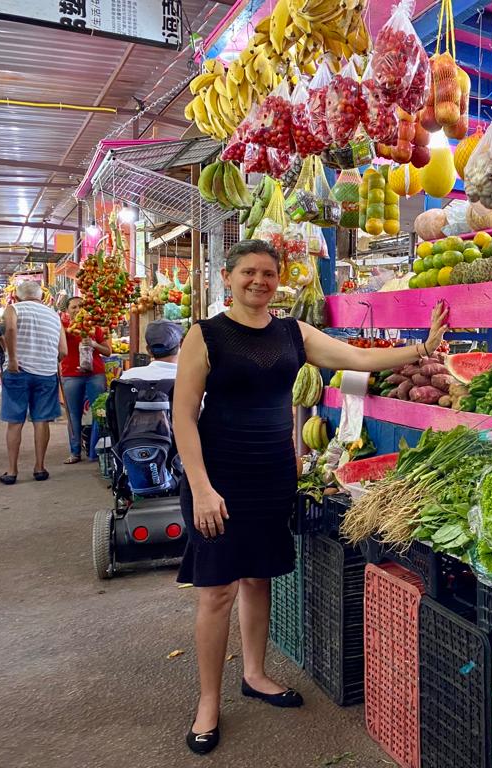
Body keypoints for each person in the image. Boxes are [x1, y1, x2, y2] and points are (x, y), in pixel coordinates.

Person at [173, 240, 448, 755]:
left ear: (278, 280)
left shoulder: (292, 333)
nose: (259, 281)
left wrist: (422, 348)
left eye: (268, 273)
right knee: (217, 591)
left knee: (258, 577)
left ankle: (254, 674)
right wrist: (202, 487)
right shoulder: (204, 335)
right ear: (228, 277)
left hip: (272, 474)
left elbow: (359, 357)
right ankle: (208, 702)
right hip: (219, 476)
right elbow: (183, 416)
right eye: (248, 272)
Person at [0, 281, 67, 485]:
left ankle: (12, 471)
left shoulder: (13, 309)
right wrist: (48, 361)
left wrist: (12, 359)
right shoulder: (54, 316)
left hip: (18, 372)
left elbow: (10, 329)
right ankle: (40, 468)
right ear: (41, 296)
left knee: (15, 422)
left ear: (17, 296)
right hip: (46, 374)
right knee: (41, 420)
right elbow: (63, 351)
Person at [60, 296, 111, 464]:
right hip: (71, 375)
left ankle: (95, 451)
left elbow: (108, 351)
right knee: (73, 414)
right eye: (73, 307)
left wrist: (95, 344)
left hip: (95, 374)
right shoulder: (64, 329)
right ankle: (75, 452)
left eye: (80, 306)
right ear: (67, 311)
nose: (77, 310)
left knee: (99, 412)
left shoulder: (95, 328)